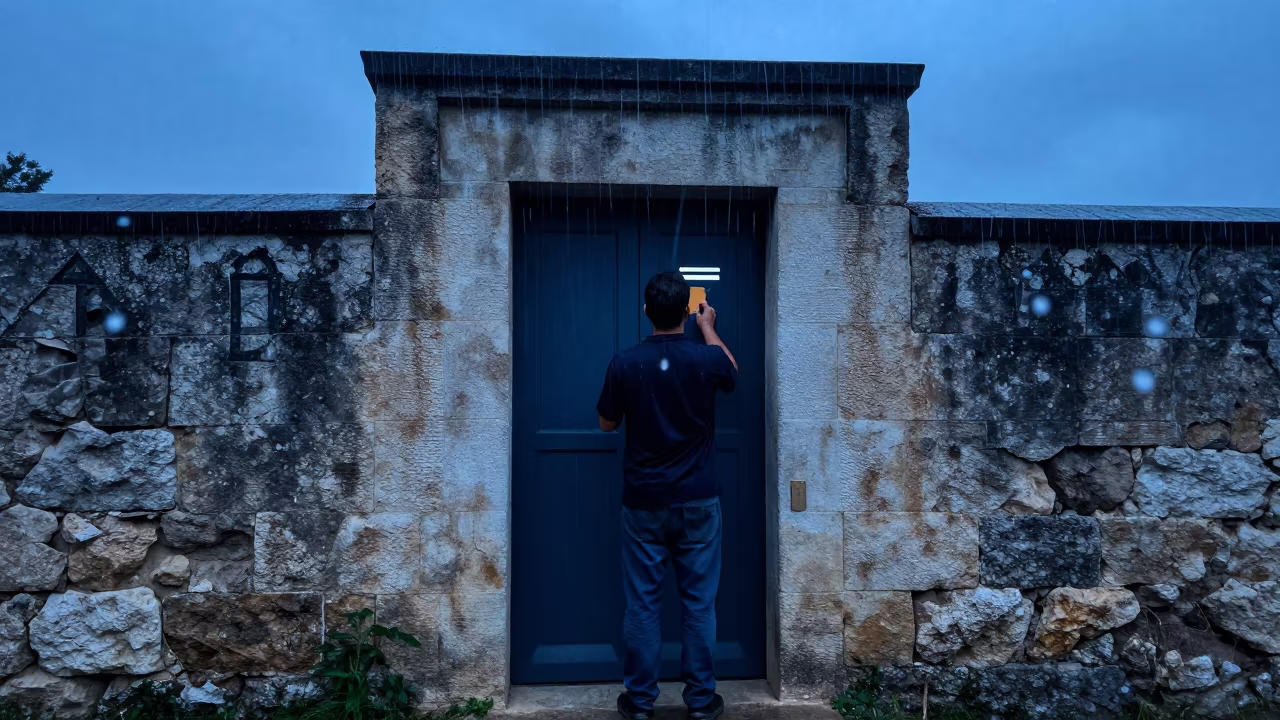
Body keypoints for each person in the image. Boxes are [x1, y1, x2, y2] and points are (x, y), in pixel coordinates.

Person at [596, 271, 738, 720]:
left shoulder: (624, 362)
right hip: (698, 501)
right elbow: (732, 371)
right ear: (686, 311)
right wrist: (710, 328)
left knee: (643, 603)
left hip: (643, 503)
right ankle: (700, 702)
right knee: (699, 603)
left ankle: (639, 703)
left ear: (645, 311)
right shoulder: (705, 359)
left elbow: (606, 424)